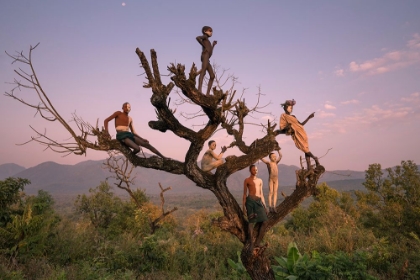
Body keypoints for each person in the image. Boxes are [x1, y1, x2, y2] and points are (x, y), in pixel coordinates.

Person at [279, 99, 320, 170]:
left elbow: (301, 124)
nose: (291, 109)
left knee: (305, 149)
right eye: (290, 107)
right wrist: (288, 127)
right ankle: (311, 163)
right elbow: (282, 127)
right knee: (304, 149)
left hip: (302, 133)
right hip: (296, 134)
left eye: (292, 108)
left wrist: (309, 117)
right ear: (285, 107)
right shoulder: (283, 116)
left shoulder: (293, 117)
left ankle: (312, 161)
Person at [243, 165, 268, 248]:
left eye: (256, 170)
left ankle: (258, 242)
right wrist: (243, 206)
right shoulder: (247, 180)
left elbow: (262, 194)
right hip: (250, 201)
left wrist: (265, 206)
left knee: (264, 222)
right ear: (250, 171)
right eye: (254, 170)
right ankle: (251, 242)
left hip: (258, 201)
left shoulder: (260, 180)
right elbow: (244, 194)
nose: (255, 171)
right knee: (251, 222)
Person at [196, 26, 217, 95]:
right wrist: (204, 47)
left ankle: (207, 93)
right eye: (210, 30)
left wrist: (213, 45)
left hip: (207, 58)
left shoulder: (208, 41)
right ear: (205, 31)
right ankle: (199, 90)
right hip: (205, 56)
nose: (211, 32)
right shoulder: (204, 37)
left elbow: (210, 51)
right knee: (203, 71)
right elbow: (197, 38)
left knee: (212, 76)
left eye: (211, 31)